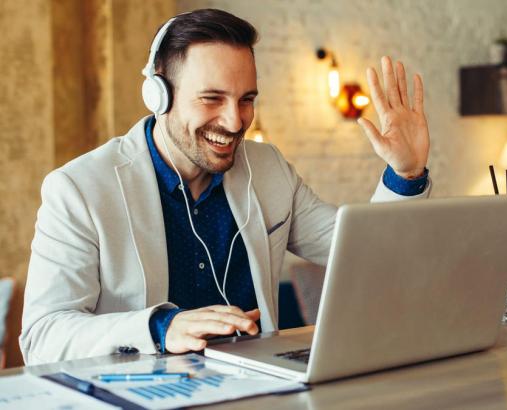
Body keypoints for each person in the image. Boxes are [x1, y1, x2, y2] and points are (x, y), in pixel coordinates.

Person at [20, 8, 431, 365]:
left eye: (246, 98)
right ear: (159, 95)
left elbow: (364, 253)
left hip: (261, 394)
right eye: (212, 98)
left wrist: (406, 172)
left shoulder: (269, 168)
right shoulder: (77, 189)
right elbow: (43, 336)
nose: (235, 121)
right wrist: (161, 327)